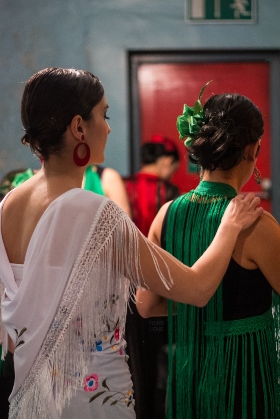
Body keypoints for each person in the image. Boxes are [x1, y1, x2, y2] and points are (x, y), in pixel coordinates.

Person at [0, 68, 262, 419]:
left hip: (32, 396)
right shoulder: (93, 213)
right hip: (90, 400)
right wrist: (229, 226)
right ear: (79, 128)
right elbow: (196, 288)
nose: (108, 128)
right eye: (104, 115)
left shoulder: (9, 205)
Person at [136, 86, 280, 418]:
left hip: (189, 371)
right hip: (244, 376)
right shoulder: (256, 225)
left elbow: (146, 305)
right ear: (252, 150)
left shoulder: (166, 214)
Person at [123, 136, 180, 418]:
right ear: (167, 162)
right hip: (157, 282)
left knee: (133, 357)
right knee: (160, 350)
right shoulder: (169, 194)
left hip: (125, 285)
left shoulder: (122, 186)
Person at [124, 134, 180, 237]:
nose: (172, 176)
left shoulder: (123, 185)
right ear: (168, 161)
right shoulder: (169, 191)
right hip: (158, 251)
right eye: (174, 170)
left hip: (127, 249)